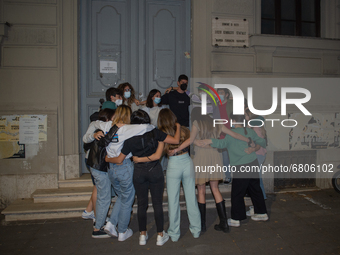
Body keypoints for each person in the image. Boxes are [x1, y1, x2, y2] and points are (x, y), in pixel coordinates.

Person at [169, 107, 251, 233]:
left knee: (201, 190)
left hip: (202, 157)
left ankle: (201, 225)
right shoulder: (217, 123)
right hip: (215, 156)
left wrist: (176, 149)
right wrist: (247, 140)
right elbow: (233, 134)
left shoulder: (197, 123)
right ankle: (224, 223)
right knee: (215, 189)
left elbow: (191, 140)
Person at [106, 109, 181, 246]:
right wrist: (178, 126)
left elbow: (119, 159)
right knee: (157, 203)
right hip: (155, 170)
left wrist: (107, 158)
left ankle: (142, 235)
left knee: (141, 204)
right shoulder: (155, 132)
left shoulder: (129, 139)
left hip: (139, 172)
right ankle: (160, 235)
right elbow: (175, 140)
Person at [136, 108, 201, 241]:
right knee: (191, 198)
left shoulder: (160, 133)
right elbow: (191, 144)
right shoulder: (184, 129)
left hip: (174, 164)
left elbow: (160, 151)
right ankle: (196, 230)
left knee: (173, 200)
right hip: (187, 161)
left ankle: (174, 233)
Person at [92, 105, 155, 240]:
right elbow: (146, 127)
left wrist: (94, 133)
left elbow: (95, 122)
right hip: (124, 166)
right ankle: (122, 231)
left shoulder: (108, 125)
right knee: (127, 200)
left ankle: (111, 223)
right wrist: (154, 127)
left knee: (122, 196)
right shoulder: (126, 128)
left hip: (111, 168)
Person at [196, 114, 268, 228]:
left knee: (237, 193)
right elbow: (262, 142)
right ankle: (262, 213)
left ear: (234, 121)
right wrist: (253, 148)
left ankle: (236, 218)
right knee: (255, 188)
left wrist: (209, 140)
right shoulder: (250, 131)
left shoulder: (231, 135)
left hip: (241, 166)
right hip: (252, 162)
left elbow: (221, 144)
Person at [82, 108, 116, 221]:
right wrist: (94, 134)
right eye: (113, 116)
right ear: (107, 117)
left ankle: (88, 211)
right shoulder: (96, 125)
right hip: (94, 161)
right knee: (99, 190)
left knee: (97, 188)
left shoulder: (111, 126)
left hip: (102, 161)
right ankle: (98, 218)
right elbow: (85, 138)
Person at [245, 109, 267, 201]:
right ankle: (259, 200)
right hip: (259, 155)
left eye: (245, 115)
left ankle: (260, 200)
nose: (244, 116)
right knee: (256, 179)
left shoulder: (255, 128)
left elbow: (258, 144)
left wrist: (252, 149)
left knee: (256, 180)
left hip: (258, 155)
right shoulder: (256, 126)